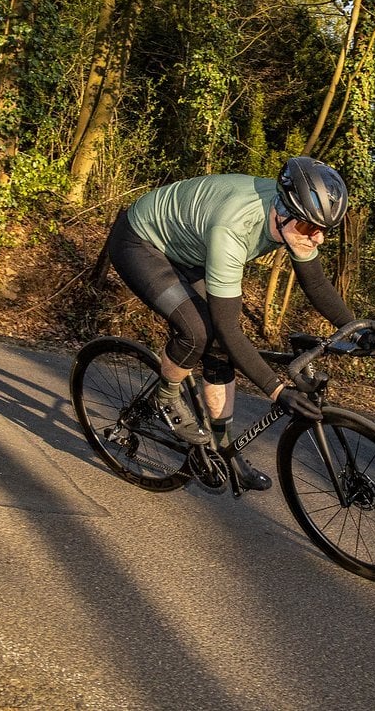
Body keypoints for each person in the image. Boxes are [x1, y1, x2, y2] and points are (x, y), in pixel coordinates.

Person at [105, 157, 357, 491]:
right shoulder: (234, 227)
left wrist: (359, 328)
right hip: (140, 241)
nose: (319, 238)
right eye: (311, 228)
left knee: (221, 350)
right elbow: (228, 326)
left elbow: (317, 285)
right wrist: (277, 390)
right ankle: (165, 396)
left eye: (325, 230)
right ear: (283, 212)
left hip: (190, 250)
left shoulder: (293, 221)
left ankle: (223, 450)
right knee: (198, 332)